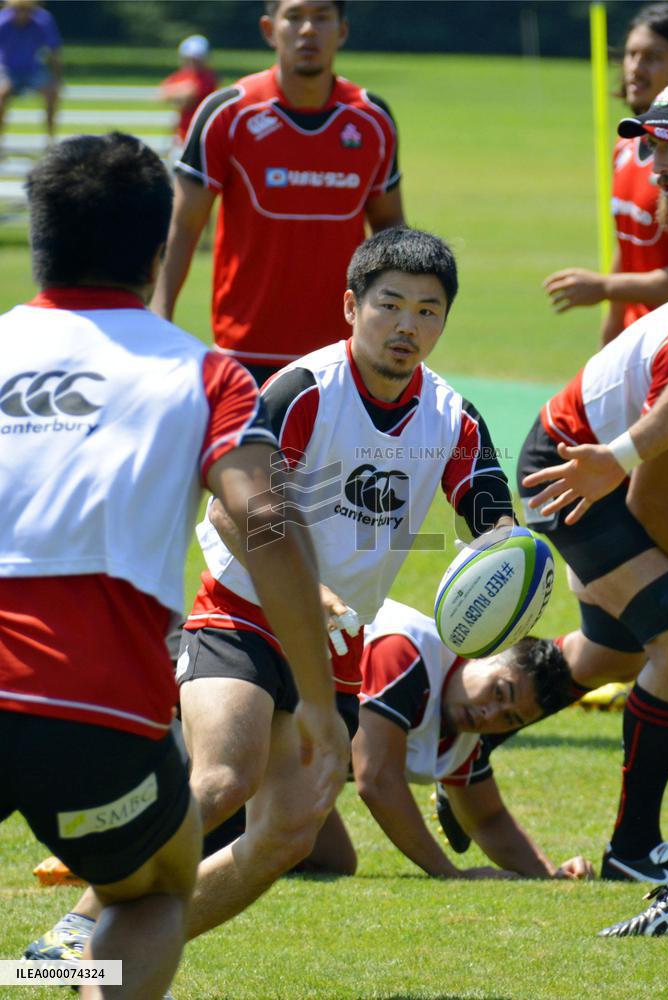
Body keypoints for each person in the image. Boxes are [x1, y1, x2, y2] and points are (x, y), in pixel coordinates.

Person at [28, 227, 514, 956]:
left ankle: (107, 955)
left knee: (288, 832)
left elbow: (490, 517)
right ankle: (75, 927)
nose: (408, 326)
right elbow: (231, 502)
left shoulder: (452, 418)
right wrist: (307, 588)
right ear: (351, 306)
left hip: (338, 642)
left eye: (428, 311)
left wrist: (508, 559)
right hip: (244, 608)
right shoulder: (304, 389)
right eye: (390, 305)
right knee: (225, 776)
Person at [3, 132, 345, 997]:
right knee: (154, 889)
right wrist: (315, 698)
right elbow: (261, 516)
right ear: (159, 249)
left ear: (38, 235)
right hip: (93, 702)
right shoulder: (205, 375)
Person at [524, 73, 668, 935]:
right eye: (645, 141)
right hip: (574, 468)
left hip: (612, 471)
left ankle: (456, 723)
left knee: (621, 651)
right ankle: (654, 857)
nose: (647, 161)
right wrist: (619, 462)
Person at [516, 290, 668, 883]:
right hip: (570, 475)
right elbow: (647, 498)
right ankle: (632, 846)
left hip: (630, 488)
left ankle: (468, 740)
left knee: (616, 654)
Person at [151, 0, 405, 385]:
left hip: (343, 355)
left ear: (342, 31)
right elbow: (184, 225)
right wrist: (158, 318)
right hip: (244, 353)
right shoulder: (227, 114)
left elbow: (389, 226)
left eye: (321, 18)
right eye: (295, 17)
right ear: (270, 29)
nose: (307, 30)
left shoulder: (372, 119)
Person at [347, 599, 594, 880]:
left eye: (509, 720)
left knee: (333, 860)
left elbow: (487, 820)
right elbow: (376, 780)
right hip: (286, 683)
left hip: (294, 755)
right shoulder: (405, 651)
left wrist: (552, 876)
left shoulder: (465, 730)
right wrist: (450, 874)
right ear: (486, 653)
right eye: (499, 692)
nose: (488, 715)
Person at [543, 2, 668, 344]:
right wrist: (611, 332)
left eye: (653, 57)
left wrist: (605, 287)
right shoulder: (625, 147)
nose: (636, 68)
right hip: (636, 342)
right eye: (631, 55)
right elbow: (626, 246)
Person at [0, 0, 62, 146]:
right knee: (1, 95)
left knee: (52, 93)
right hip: (8, 70)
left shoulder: (43, 21)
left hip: (33, 69)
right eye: (18, 10)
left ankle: (50, 139)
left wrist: (56, 79)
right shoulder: (3, 22)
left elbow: (54, 51)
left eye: (26, 10)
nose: (22, 14)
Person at [159, 34, 219, 149]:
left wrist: (178, 92)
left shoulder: (208, 76)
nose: (193, 62)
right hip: (181, 133)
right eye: (190, 59)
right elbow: (162, 94)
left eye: (197, 59)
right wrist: (184, 89)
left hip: (201, 133)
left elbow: (190, 96)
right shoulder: (182, 75)